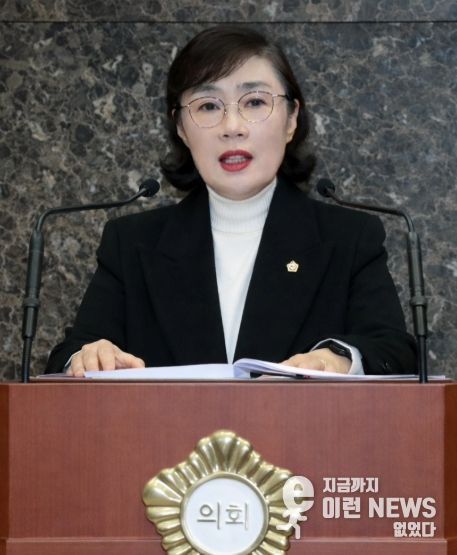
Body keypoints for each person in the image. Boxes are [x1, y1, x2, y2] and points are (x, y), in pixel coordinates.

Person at [46, 25, 417, 376]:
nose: (232, 127)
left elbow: (394, 352)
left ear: (291, 119)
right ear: (181, 128)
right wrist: (87, 357)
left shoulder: (349, 239)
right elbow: (68, 355)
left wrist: (338, 358)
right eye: (208, 106)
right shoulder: (132, 244)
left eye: (254, 102)